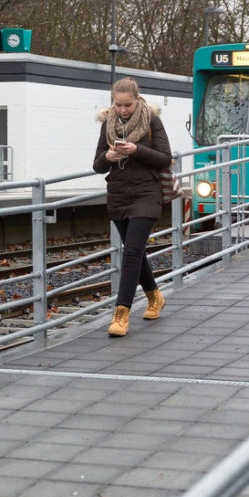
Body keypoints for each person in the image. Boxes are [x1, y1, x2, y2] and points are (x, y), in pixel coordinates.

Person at [93, 77, 172, 338]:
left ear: (137, 100)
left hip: (146, 194)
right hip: (118, 194)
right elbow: (97, 165)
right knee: (134, 252)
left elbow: (164, 159)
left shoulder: (152, 121)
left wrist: (136, 149)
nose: (123, 110)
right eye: (118, 105)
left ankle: (121, 314)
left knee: (131, 253)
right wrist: (108, 156)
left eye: (127, 105)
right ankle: (154, 297)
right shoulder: (108, 124)